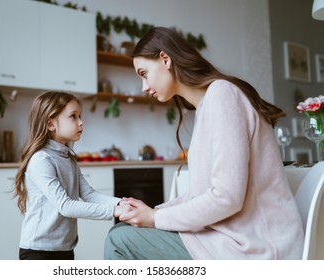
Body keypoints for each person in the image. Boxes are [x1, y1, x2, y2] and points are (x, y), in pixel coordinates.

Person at [105, 27, 304, 260]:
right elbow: (201, 195)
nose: (144, 86)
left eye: (144, 73)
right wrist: (152, 212)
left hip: (255, 248)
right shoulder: (208, 106)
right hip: (230, 239)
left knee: (119, 240)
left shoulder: (222, 95)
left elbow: (226, 198)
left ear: (165, 59)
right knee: (122, 231)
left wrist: (154, 218)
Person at [14, 91, 129, 260]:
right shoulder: (41, 159)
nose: (81, 122)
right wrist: (115, 211)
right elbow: (66, 206)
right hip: (38, 251)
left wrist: (122, 202)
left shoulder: (68, 158)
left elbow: (89, 194)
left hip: (65, 248)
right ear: (51, 124)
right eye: (73, 117)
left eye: (80, 116)